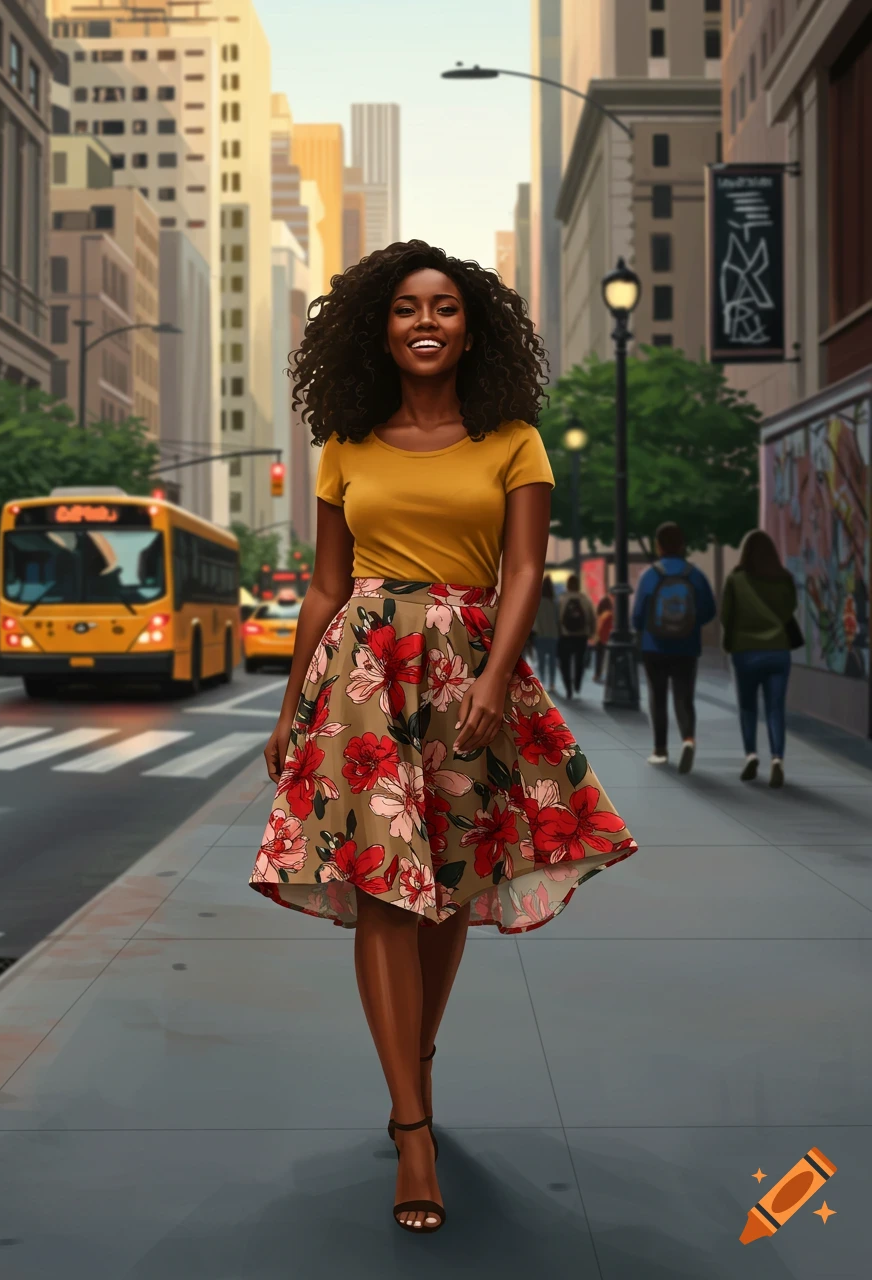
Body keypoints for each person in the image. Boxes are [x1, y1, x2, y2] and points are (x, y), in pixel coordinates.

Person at [251, 240, 638, 1235]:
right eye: (405, 308)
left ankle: (412, 1057)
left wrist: (497, 676)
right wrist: (291, 706)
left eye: (446, 307)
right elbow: (327, 587)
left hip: (469, 667)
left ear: (473, 327)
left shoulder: (513, 440)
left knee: (447, 889)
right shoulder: (344, 443)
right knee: (385, 886)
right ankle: (411, 1123)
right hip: (363, 680)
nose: (425, 321)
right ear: (377, 324)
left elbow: (521, 574)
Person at [632, 521, 717, 773]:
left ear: (658, 546)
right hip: (687, 647)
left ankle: (660, 750)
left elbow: (637, 616)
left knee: (657, 697)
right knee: (684, 696)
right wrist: (690, 624)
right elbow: (710, 610)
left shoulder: (650, 575)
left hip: (654, 646)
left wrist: (647, 628)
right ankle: (688, 739)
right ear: (682, 545)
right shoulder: (695, 574)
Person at [721, 529, 798, 787]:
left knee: (748, 707)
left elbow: (726, 616)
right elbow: (789, 611)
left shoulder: (736, 579)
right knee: (776, 708)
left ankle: (751, 755)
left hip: (746, 651)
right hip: (778, 650)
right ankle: (777, 758)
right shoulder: (784, 579)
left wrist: (730, 641)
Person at [557, 572, 596, 698]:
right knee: (579, 662)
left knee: (565, 663)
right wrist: (591, 632)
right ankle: (577, 683)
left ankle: (568, 688)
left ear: (567, 585)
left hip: (565, 636)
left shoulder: (562, 599)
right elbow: (592, 617)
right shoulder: (585, 599)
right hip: (581, 635)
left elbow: (557, 618)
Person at [532, 575, 561, 693]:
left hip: (540, 635)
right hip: (553, 635)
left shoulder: (537, 602)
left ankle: (542, 681)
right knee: (552, 661)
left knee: (541, 660)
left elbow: (534, 619)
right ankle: (552, 683)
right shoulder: (554, 602)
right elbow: (558, 619)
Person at [593, 594, 613, 683]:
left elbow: (598, 627)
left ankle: (598, 674)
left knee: (599, 658)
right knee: (606, 659)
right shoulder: (610, 615)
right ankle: (605, 675)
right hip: (608, 639)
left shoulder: (600, 616)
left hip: (600, 639)